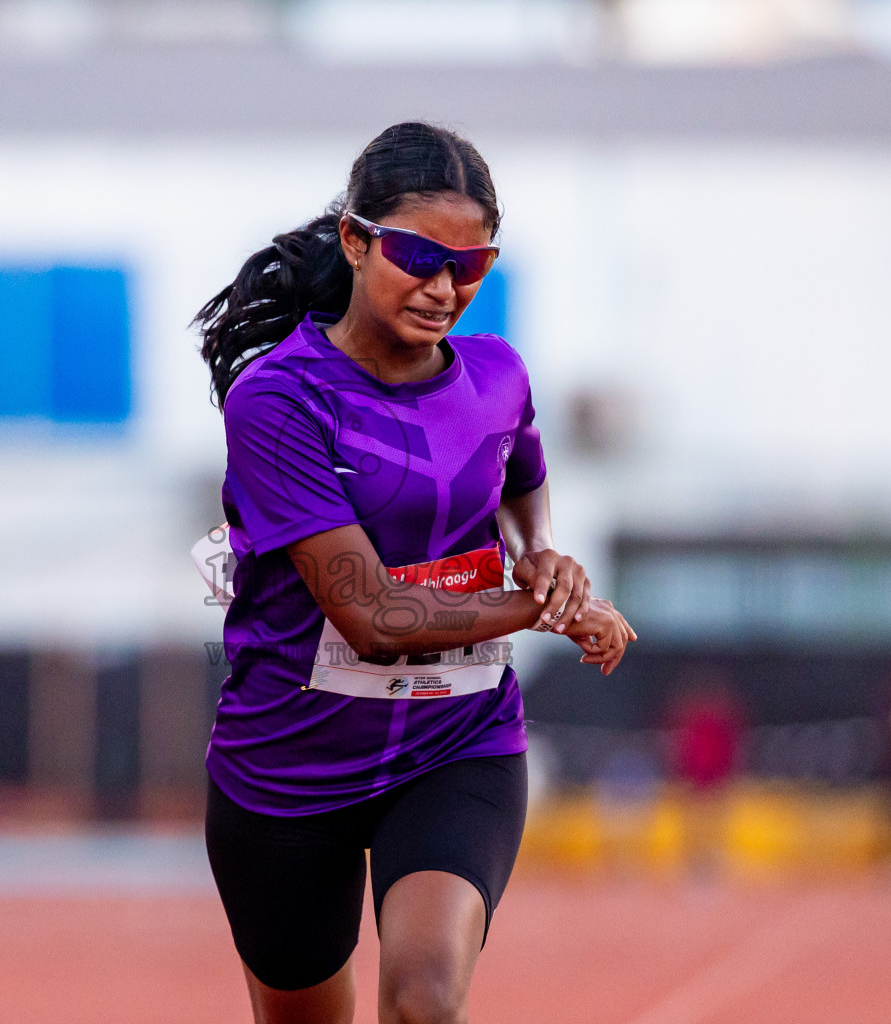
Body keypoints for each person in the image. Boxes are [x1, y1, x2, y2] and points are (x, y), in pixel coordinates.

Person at [194, 122, 636, 1024]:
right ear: (356, 240)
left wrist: (541, 552)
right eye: (418, 259)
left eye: (471, 268)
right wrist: (537, 609)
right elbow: (373, 617)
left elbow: (523, 474)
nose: (443, 291)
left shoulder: (498, 374)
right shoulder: (281, 399)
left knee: (426, 999)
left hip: (454, 741)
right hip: (289, 764)